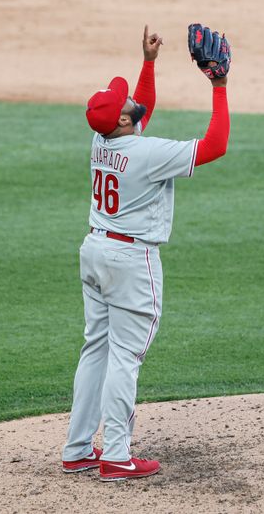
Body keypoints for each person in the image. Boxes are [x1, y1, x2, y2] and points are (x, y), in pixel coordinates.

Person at [61, 24, 230, 482]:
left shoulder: (103, 140)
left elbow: (140, 110)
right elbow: (215, 146)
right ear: (120, 121)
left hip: (95, 250)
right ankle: (116, 455)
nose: (131, 98)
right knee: (125, 358)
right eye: (124, 100)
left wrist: (150, 63)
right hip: (131, 263)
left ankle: (78, 450)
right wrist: (219, 85)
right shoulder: (147, 153)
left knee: (95, 350)